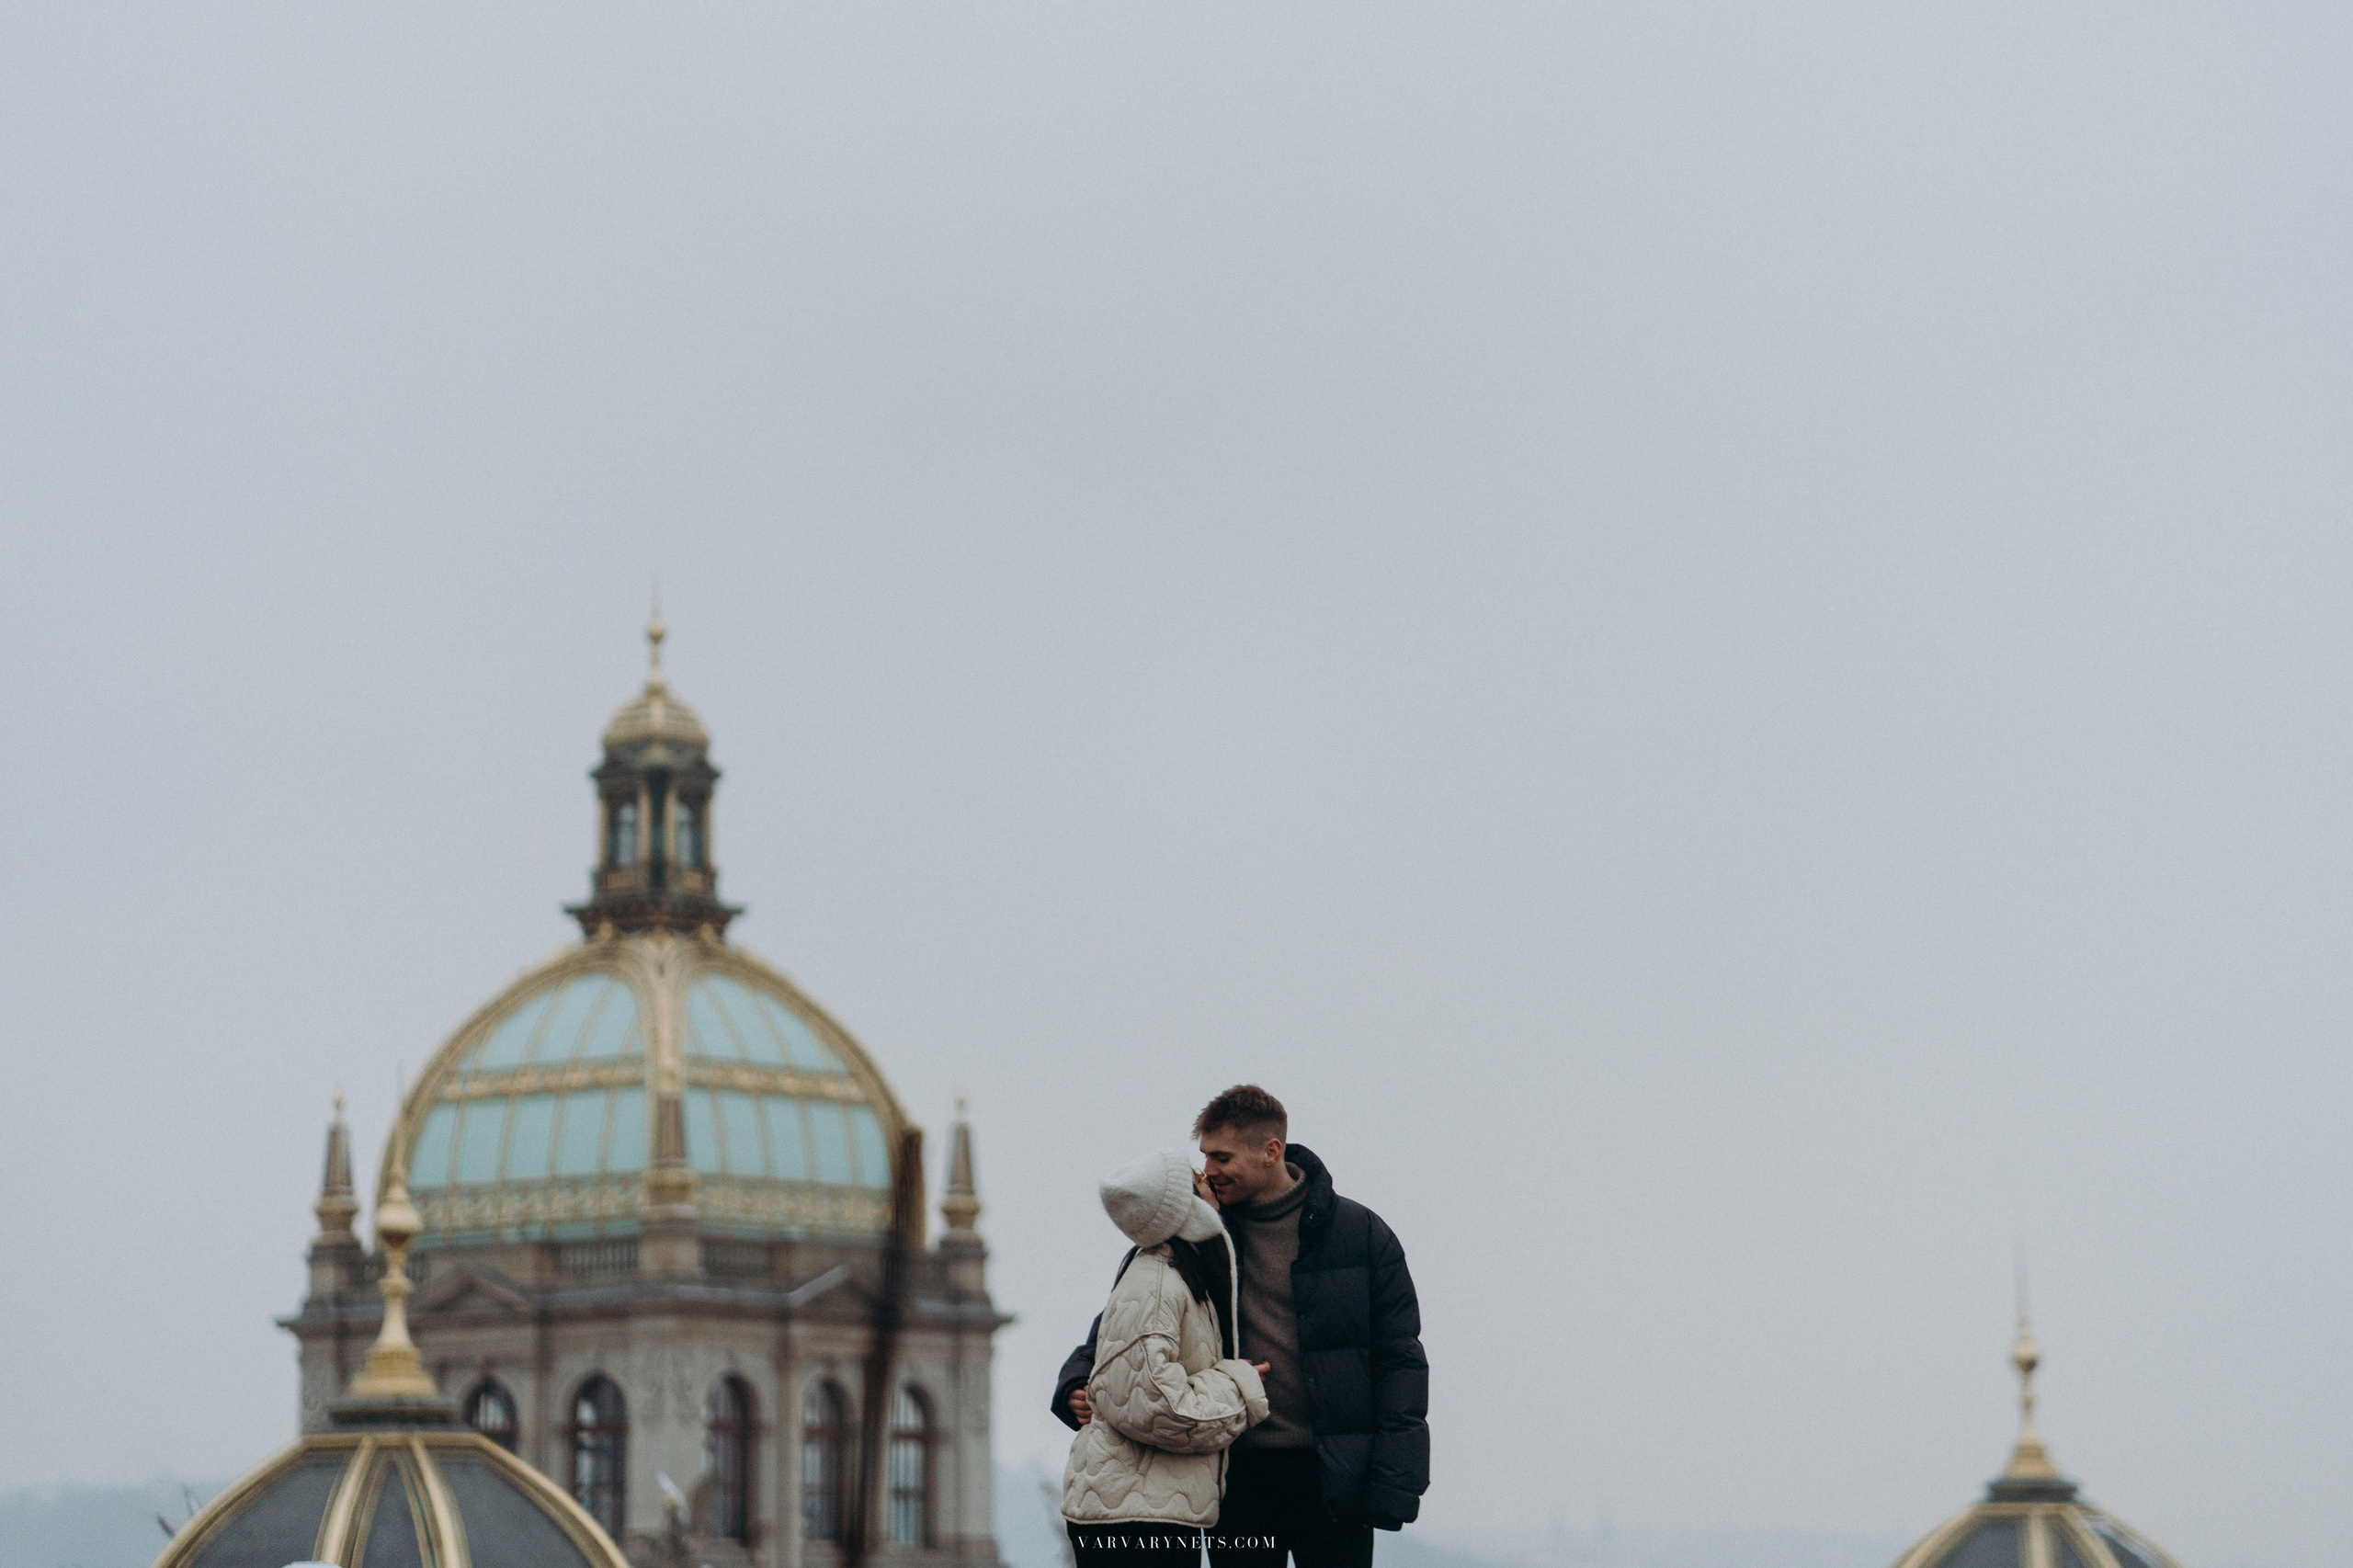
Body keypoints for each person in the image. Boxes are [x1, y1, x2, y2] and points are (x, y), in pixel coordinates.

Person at [1054, 1087, 1428, 1568]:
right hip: (1237, 1477)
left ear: (1271, 1151)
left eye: (1221, 1156)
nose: (1208, 1170)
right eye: (1205, 1155)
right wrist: (1073, 1382)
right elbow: (1127, 1326)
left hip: (1335, 1479)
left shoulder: (1361, 1235)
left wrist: (1396, 1478)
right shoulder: (1203, 1233)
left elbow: (1399, 1357)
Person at [1062, 1147, 1273, 1568]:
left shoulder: (1175, 1272)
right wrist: (1238, 1383)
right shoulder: (1159, 1282)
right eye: (1197, 1179)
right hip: (1136, 1519)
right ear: (1184, 1209)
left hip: (1146, 1508)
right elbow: (1157, 1402)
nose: (1208, 1180)